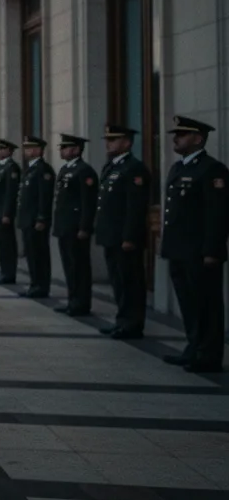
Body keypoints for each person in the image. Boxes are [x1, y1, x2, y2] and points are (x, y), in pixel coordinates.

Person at [158, 115, 228, 373]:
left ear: (198, 139)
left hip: (200, 252)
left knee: (206, 303)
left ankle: (208, 354)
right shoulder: (178, 168)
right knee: (188, 302)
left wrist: (212, 250)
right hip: (179, 250)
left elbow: (217, 215)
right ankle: (193, 346)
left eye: (182, 134)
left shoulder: (212, 169)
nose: (175, 138)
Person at [95, 124, 151, 339]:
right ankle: (122, 319)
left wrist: (129, 237)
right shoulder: (111, 168)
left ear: (127, 143)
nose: (108, 143)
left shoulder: (134, 169)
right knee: (118, 281)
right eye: (107, 139)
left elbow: (135, 208)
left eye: (114, 139)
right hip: (111, 235)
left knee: (131, 282)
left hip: (124, 238)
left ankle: (133, 323)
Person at [52, 134, 98, 316]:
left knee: (79, 267)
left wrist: (84, 227)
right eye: (62, 147)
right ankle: (72, 300)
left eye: (66, 147)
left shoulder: (84, 171)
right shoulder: (64, 170)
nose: (62, 150)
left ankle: (81, 303)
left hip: (76, 228)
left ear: (77, 150)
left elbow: (88, 202)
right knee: (69, 266)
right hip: (65, 226)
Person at [17, 136, 55, 298]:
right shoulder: (30, 169)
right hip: (27, 220)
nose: (27, 151)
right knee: (31, 254)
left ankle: (41, 286)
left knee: (39, 254)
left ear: (39, 150)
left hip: (36, 221)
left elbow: (44, 197)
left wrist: (41, 218)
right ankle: (34, 284)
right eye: (26, 148)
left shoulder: (43, 170)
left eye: (30, 148)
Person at [0, 140, 22, 284]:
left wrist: (7, 214)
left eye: (1, 149)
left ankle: (9, 273)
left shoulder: (11, 168)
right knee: (2, 244)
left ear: (9, 151)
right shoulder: (0, 168)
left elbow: (10, 193)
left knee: (8, 245)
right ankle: (4, 271)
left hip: (4, 214)